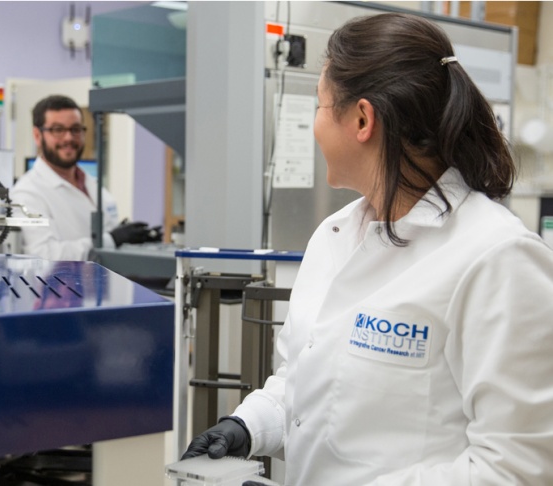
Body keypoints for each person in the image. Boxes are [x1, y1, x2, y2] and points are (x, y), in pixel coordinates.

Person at [183, 12, 553, 485]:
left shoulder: (496, 258)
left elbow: (517, 470)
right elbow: (307, 380)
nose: (315, 124)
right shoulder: (334, 236)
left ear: (362, 119)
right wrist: (248, 426)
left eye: (319, 105)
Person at [10, 95, 159, 260]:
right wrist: (113, 239)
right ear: (37, 135)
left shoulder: (90, 183)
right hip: (61, 285)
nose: (68, 138)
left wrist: (136, 238)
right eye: (58, 129)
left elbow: (107, 231)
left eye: (75, 129)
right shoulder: (27, 193)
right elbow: (44, 255)